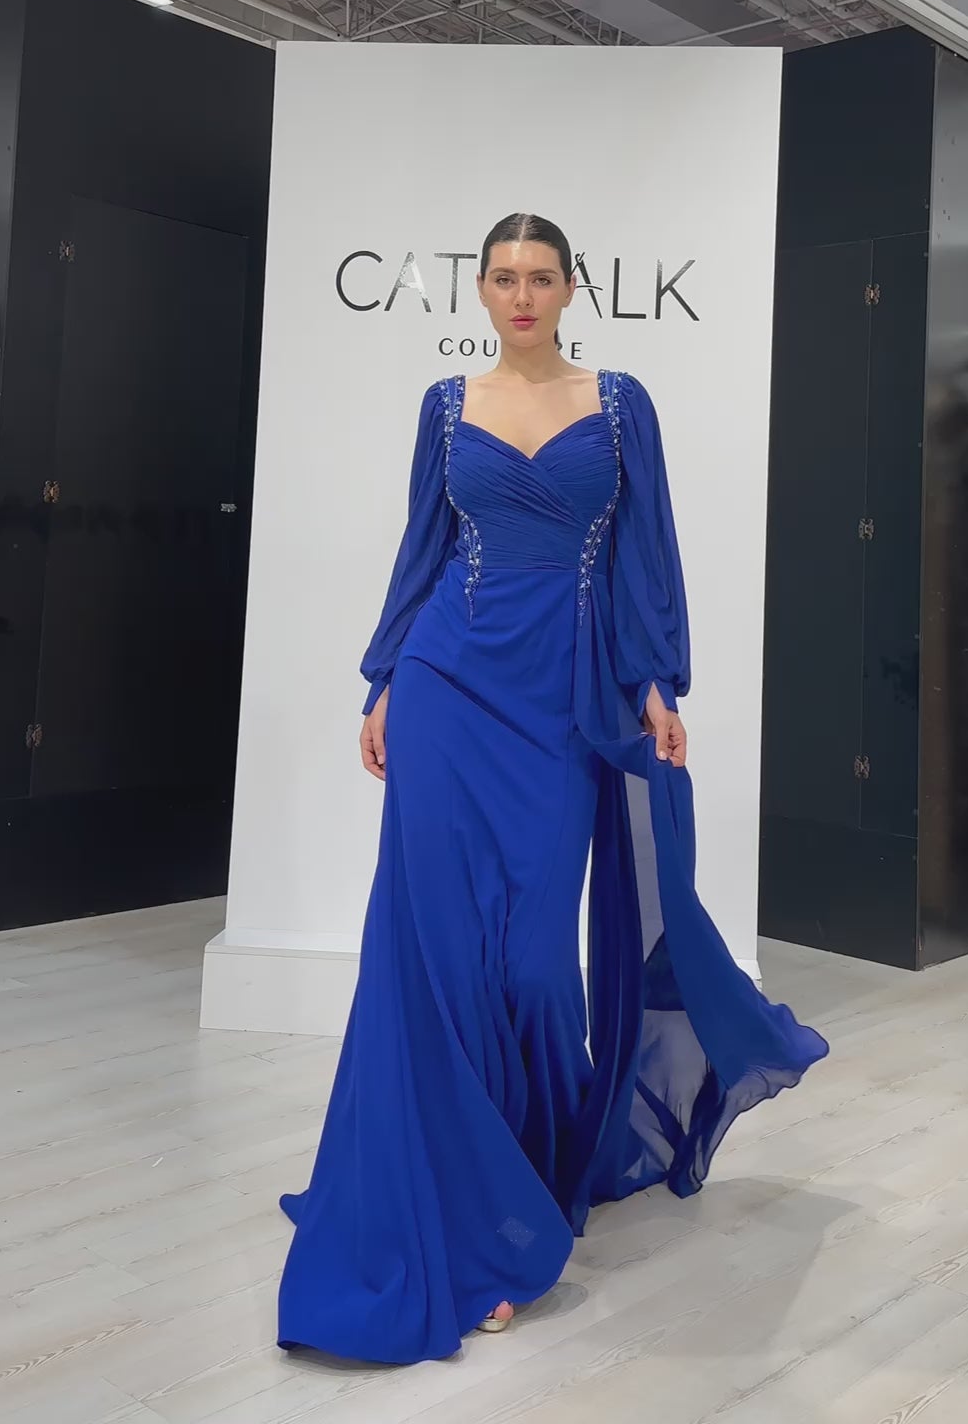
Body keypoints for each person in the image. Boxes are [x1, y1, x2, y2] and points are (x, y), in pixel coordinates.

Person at [277, 212, 828, 1366]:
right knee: (435, 953)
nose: (521, 295)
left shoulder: (619, 405)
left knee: (531, 962)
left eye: (539, 277)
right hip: (446, 681)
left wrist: (655, 684)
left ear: (571, 288)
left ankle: (520, 1179)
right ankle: (469, 1214)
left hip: (559, 702)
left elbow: (645, 554)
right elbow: (422, 550)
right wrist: (384, 680)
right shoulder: (445, 406)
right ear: (479, 292)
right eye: (502, 278)